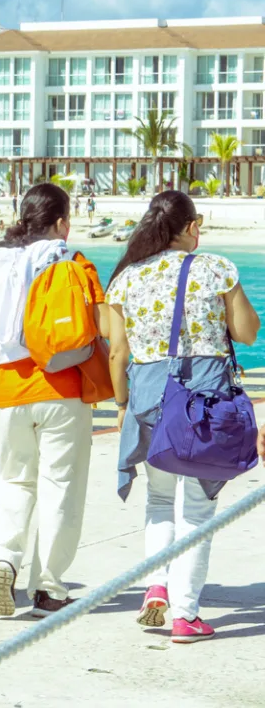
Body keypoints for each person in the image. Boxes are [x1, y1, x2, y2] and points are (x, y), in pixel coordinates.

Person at [106, 190, 260, 643]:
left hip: (150, 400)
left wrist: (120, 406)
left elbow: (117, 353)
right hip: (203, 403)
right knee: (197, 509)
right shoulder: (215, 268)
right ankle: (185, 614)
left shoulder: (127, 278)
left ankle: (157, 585)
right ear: (192, 227)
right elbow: (248, 333)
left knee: (158, 501)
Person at [0, 183, 109, 619]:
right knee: (59, 487)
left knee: (12, 483)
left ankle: (4, 558)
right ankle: (48, 590)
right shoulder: (74, 262)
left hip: (6, 393)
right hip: (62, 391)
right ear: (62, 222)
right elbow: (102, 328)